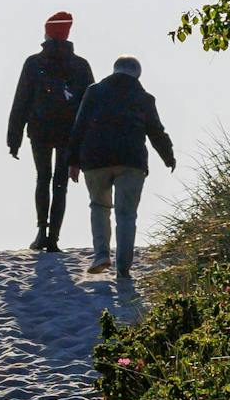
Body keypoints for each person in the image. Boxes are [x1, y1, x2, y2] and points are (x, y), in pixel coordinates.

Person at [66, 54, 175, 278]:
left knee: (99, 207)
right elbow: (156, 131)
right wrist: (168, 156)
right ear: (138, 74)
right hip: (131, 161)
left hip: (96, 160)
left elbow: (79, 126)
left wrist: (73, 161)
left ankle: (101, 254)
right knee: (127, 214)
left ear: (114, 70)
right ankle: (123, 267)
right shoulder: (144, 98)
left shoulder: (94, 92)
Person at [6, 10, 93, 251]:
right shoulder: (80, 65)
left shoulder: (34, 63)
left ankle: (41, 231)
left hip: (40, 130)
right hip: (69, 133)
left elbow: (21, 100)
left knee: (42, 178)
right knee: (60, 183)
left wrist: (14, 138)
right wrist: (88, 141)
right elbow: (90, 105)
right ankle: (54, 237)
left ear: (47, 33)